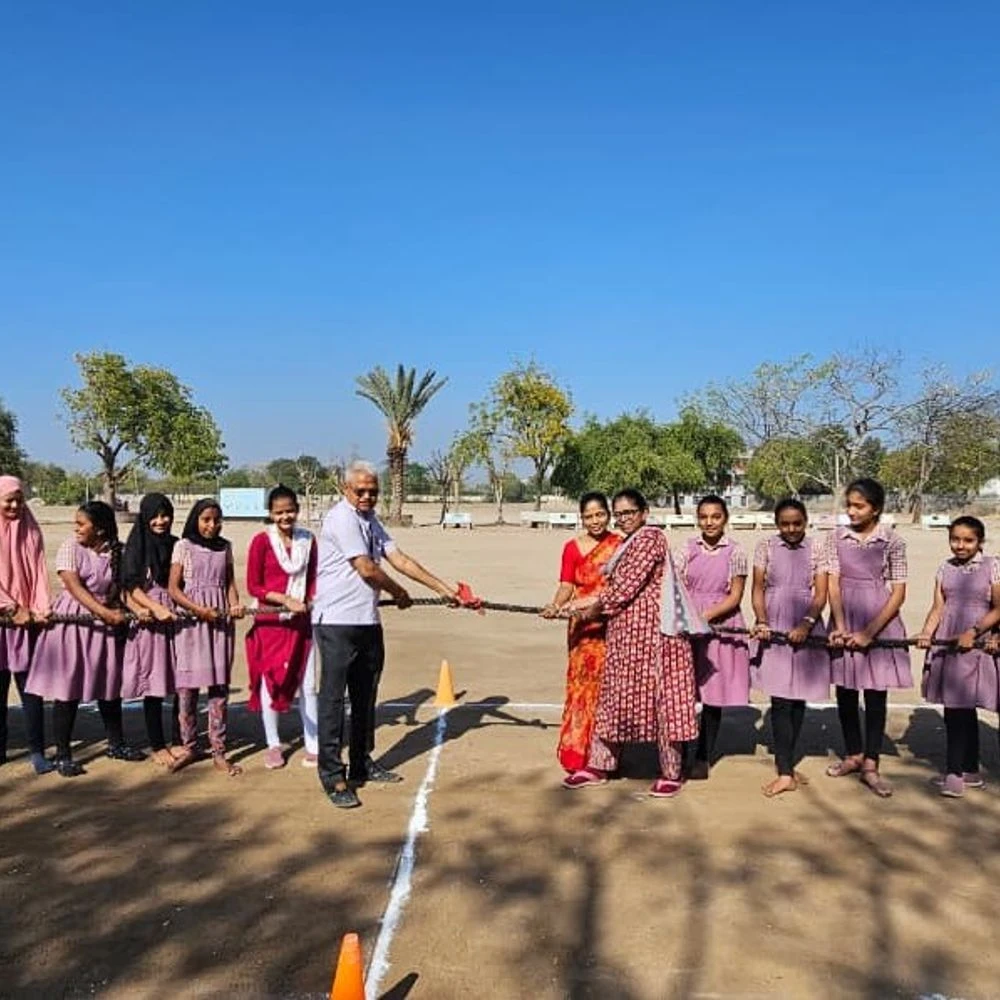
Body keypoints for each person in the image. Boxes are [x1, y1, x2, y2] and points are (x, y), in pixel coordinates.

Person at [312, 460, 470, 810]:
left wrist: (443, 588)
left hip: (367, 621)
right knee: (334, 701)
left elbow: (399, 558)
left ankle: (361, 762)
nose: (367, 496)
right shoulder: (341, 518)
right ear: (345, 489)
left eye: (373, 491)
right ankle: (332, 774)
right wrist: (399, 594)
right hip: (337, 622)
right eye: (361, 491)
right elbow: (367, 568)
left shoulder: (370, 521)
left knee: (366, 695)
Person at [569, 489, 699, 798]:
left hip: (656, 638)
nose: (624, 519)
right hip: (625, 637)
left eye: (629, 512)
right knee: (614, 699)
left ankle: (671, 771)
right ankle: (601, 765)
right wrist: (572, 605)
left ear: (644, 512)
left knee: (664, 703)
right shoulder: (625, 544)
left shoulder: (650, 538)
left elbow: (624, 589)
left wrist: (588, 608)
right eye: (620, 514)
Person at [27, 501, 144, 776]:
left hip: (104, 627)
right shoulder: (70, 548)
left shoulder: (118, 551)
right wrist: (103, 612)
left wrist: (135, 610)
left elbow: (126, 588)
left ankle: (116, 744)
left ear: (100, 529)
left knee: (109, 686)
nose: (76, 528)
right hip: (74, 624)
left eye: (81, 524)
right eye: (76, 523)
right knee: (68, 689)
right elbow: (73, 586)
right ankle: (64, 755)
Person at [825, 478, 909, 798]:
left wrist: (869, 632)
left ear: (875, 508)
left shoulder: (893, 541)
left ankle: (871, 762)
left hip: (879, 620)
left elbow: (899, 591)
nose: (852, 511)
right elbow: (833, 582)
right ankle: (853, 754)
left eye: (859, 506)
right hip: (844, 616)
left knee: (875, 694)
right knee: (845, 692)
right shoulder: (835, 538)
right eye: (849, 505)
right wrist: (842, 625)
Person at [750, 498, 831, 797]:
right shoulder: (766, 546)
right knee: (780, 700)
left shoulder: (818, 548)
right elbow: (758, 588)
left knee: (798, 700)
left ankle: (787, 762)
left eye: (797, 522)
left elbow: (820, 593)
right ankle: (785, 771)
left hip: (804, 623)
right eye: (785, 523)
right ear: (776, 523)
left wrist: (807, 624)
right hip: (774, 623)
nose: (791, 528)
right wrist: (762, 620)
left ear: (806, 521)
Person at [541, 491, 621, 788]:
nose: (595, 520)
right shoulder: (572, 547)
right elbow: (567, 584)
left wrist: (598, 606)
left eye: (600, 514)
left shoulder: (619, 545)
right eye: (589, 516)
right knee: (582, 690)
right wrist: (555, 604)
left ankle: (607, 755)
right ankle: (581, 755)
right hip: (582, 629)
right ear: (581, 518)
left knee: (608, 691)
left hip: (611, 625)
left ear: (608, 514)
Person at [917, 516, 1000, 798]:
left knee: (958, 709)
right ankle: (971, 771)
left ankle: (954, 775)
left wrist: (975, 633)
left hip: (974, 644)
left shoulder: (992, 566)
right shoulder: (945, 567)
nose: (960, 545)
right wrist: (926, 633)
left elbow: (998, 608)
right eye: (955, 539)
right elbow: (938, 608)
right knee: (961, 709)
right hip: (948, 642)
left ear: (979, 542)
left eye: (968, 540)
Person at [168, 498, 245, 776]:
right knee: (187, 691)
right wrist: (200, 611)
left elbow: (229, 583)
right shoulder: (183, 546)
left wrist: (234, 605)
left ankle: (219, 750)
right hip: (191, 624)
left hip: (220, 623)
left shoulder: (225, 548)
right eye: (206, 520)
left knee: (218, 690)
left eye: (216, 520)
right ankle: (189, 746)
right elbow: (174, 589)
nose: (212, 525)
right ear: (196, 520)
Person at [245, 484, 319, 770]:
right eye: (279, 512)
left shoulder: (308, 540)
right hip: (270, 622)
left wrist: (310, 600)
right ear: (270, 514)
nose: (285, 517)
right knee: (270, 682)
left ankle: (313, 744)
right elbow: (255, 585)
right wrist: (285, 600)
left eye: (290, 511)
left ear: (297, 510)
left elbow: (314, 578)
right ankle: (273, 744)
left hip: (301, 621)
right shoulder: (261, 542)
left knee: (308, 684)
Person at [676, 495, 750, 779]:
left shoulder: (736, 551)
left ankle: (703, 756)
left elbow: (734, 596)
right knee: (682, 692)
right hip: (688, 625)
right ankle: (679, 752)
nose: (709, 522)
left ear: (725, 518)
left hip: (720, 626)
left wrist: (704, 618)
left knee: (712, 696)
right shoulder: (687, 548)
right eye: (704, 516)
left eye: (715, 516)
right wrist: (688, 617)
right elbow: (678, 584)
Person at [120, 493, 182, 770]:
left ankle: (181, 739)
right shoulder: (135, 547)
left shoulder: (177, 544)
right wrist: (153, 608)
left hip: (177, 617)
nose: (160, 521)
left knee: (182, 682)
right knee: (154, 685)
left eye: (165, 515)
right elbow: (130, 586)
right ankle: (158, 744)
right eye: (155, 516)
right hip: (151, 619)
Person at [0, 475, 53, 773]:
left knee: (31, 690)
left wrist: (40, 608)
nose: (15, 505)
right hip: (4, 618)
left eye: (19, 499)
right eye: (8, 500)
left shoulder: (31, 530)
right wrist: (11, 607)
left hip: (26, 623)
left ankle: (37, 751)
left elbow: (39, 573)